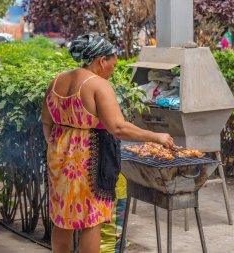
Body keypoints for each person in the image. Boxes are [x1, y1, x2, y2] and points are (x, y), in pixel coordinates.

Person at [41, 33, 174, 253]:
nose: (113, 69)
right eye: (113, 63)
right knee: (90, 219)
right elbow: (118, 127)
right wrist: (156, 136)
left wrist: (58, 148)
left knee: (62, 217)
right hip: (88, 160)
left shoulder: (57, 81)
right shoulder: (97, 85)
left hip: (58, 157)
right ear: (102, 60)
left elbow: (46, 122)